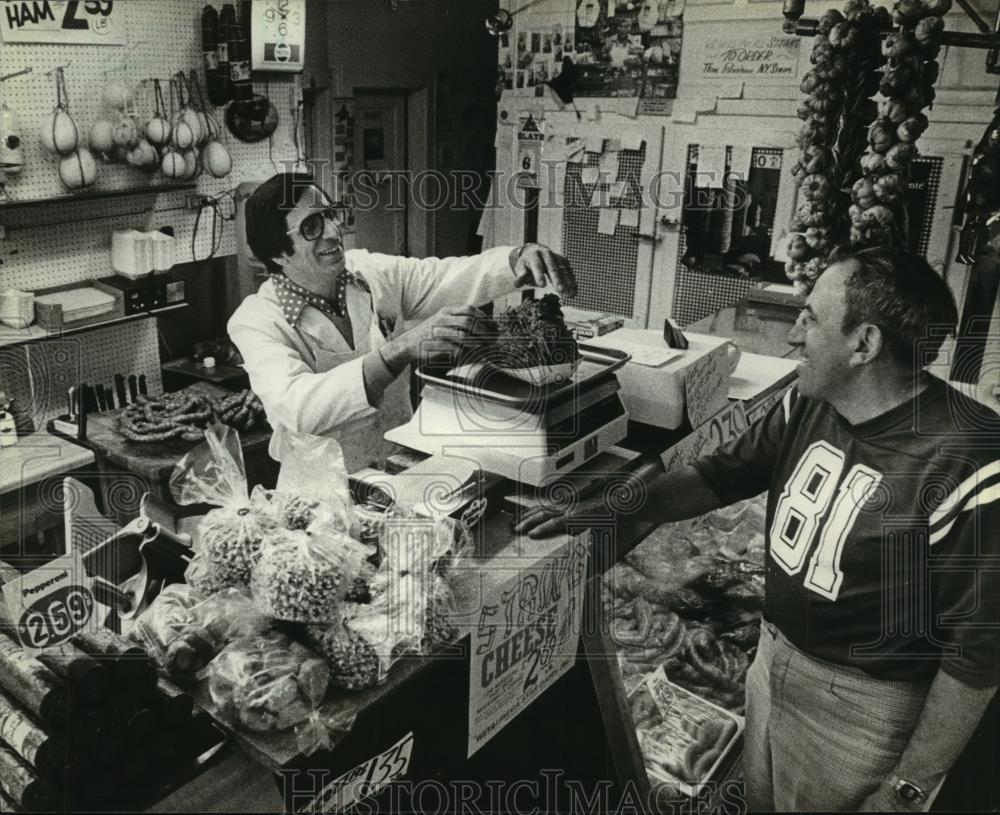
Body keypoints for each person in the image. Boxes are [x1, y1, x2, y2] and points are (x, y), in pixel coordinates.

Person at [517, 246, 1000, 812]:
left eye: (811, 317)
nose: (793, 334)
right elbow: (720, 476)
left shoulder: (972, 460)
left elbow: (978, 654)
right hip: (771, 663)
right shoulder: (808, 402)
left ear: (864, 345)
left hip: (864, 714)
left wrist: (908, 788)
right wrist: (611, 504)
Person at [228, 172, 576, 470]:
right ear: (277, 254)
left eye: (332, 214)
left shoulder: (370, 274)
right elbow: (297, 410)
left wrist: (517, 259)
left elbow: (446, 277)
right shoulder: (257, 320)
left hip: (400, 466)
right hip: (320, 495)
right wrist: (402, 348)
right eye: (312, 227)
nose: (334, 232)